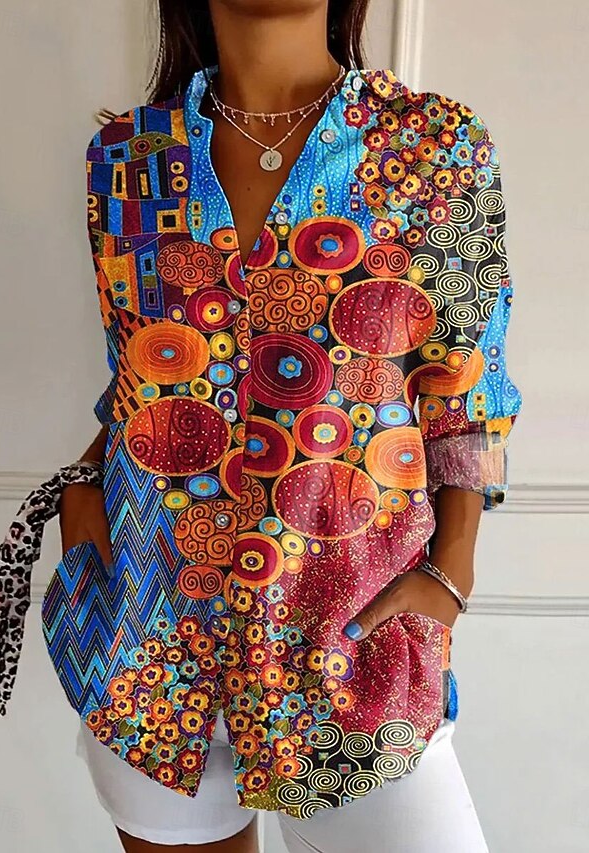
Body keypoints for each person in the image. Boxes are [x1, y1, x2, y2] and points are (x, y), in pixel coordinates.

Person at [52, 1, 520, 850]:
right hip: (151, 642)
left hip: (352, 649)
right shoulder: (126, 159)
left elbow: (469, 388)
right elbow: (144, 371)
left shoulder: (432, 147)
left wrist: (452, 572)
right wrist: (81, 491)